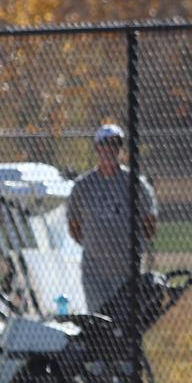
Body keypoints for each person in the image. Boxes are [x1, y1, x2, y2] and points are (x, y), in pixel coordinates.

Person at [66, 122, 158, 314]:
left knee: (123, 320)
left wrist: (135, 243)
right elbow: (74, 226)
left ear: (120, 149)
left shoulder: (134, 183)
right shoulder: (84, 185)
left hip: (126, 270)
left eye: (115, 144)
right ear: (97, 148)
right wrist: (94, 243)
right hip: (95, 271)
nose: (109, 149)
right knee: (98, 320)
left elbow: (150, 221)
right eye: (104, 144)